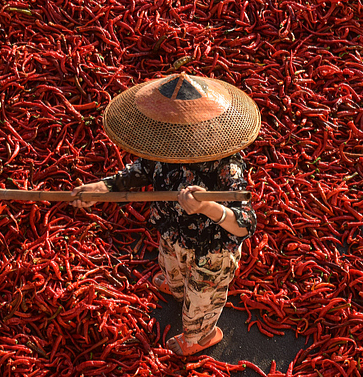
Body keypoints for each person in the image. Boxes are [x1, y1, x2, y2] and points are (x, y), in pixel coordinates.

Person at [69, 73, 258, 356]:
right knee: (172, 266)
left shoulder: (226, 165)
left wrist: (207, 207)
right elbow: (141, 170)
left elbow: (245, 224)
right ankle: (176, 286)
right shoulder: (165, 149)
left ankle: (201, 336)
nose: (172, 136)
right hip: (172, 231)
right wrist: (104, 187)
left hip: (211, 249)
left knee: (201, 300)